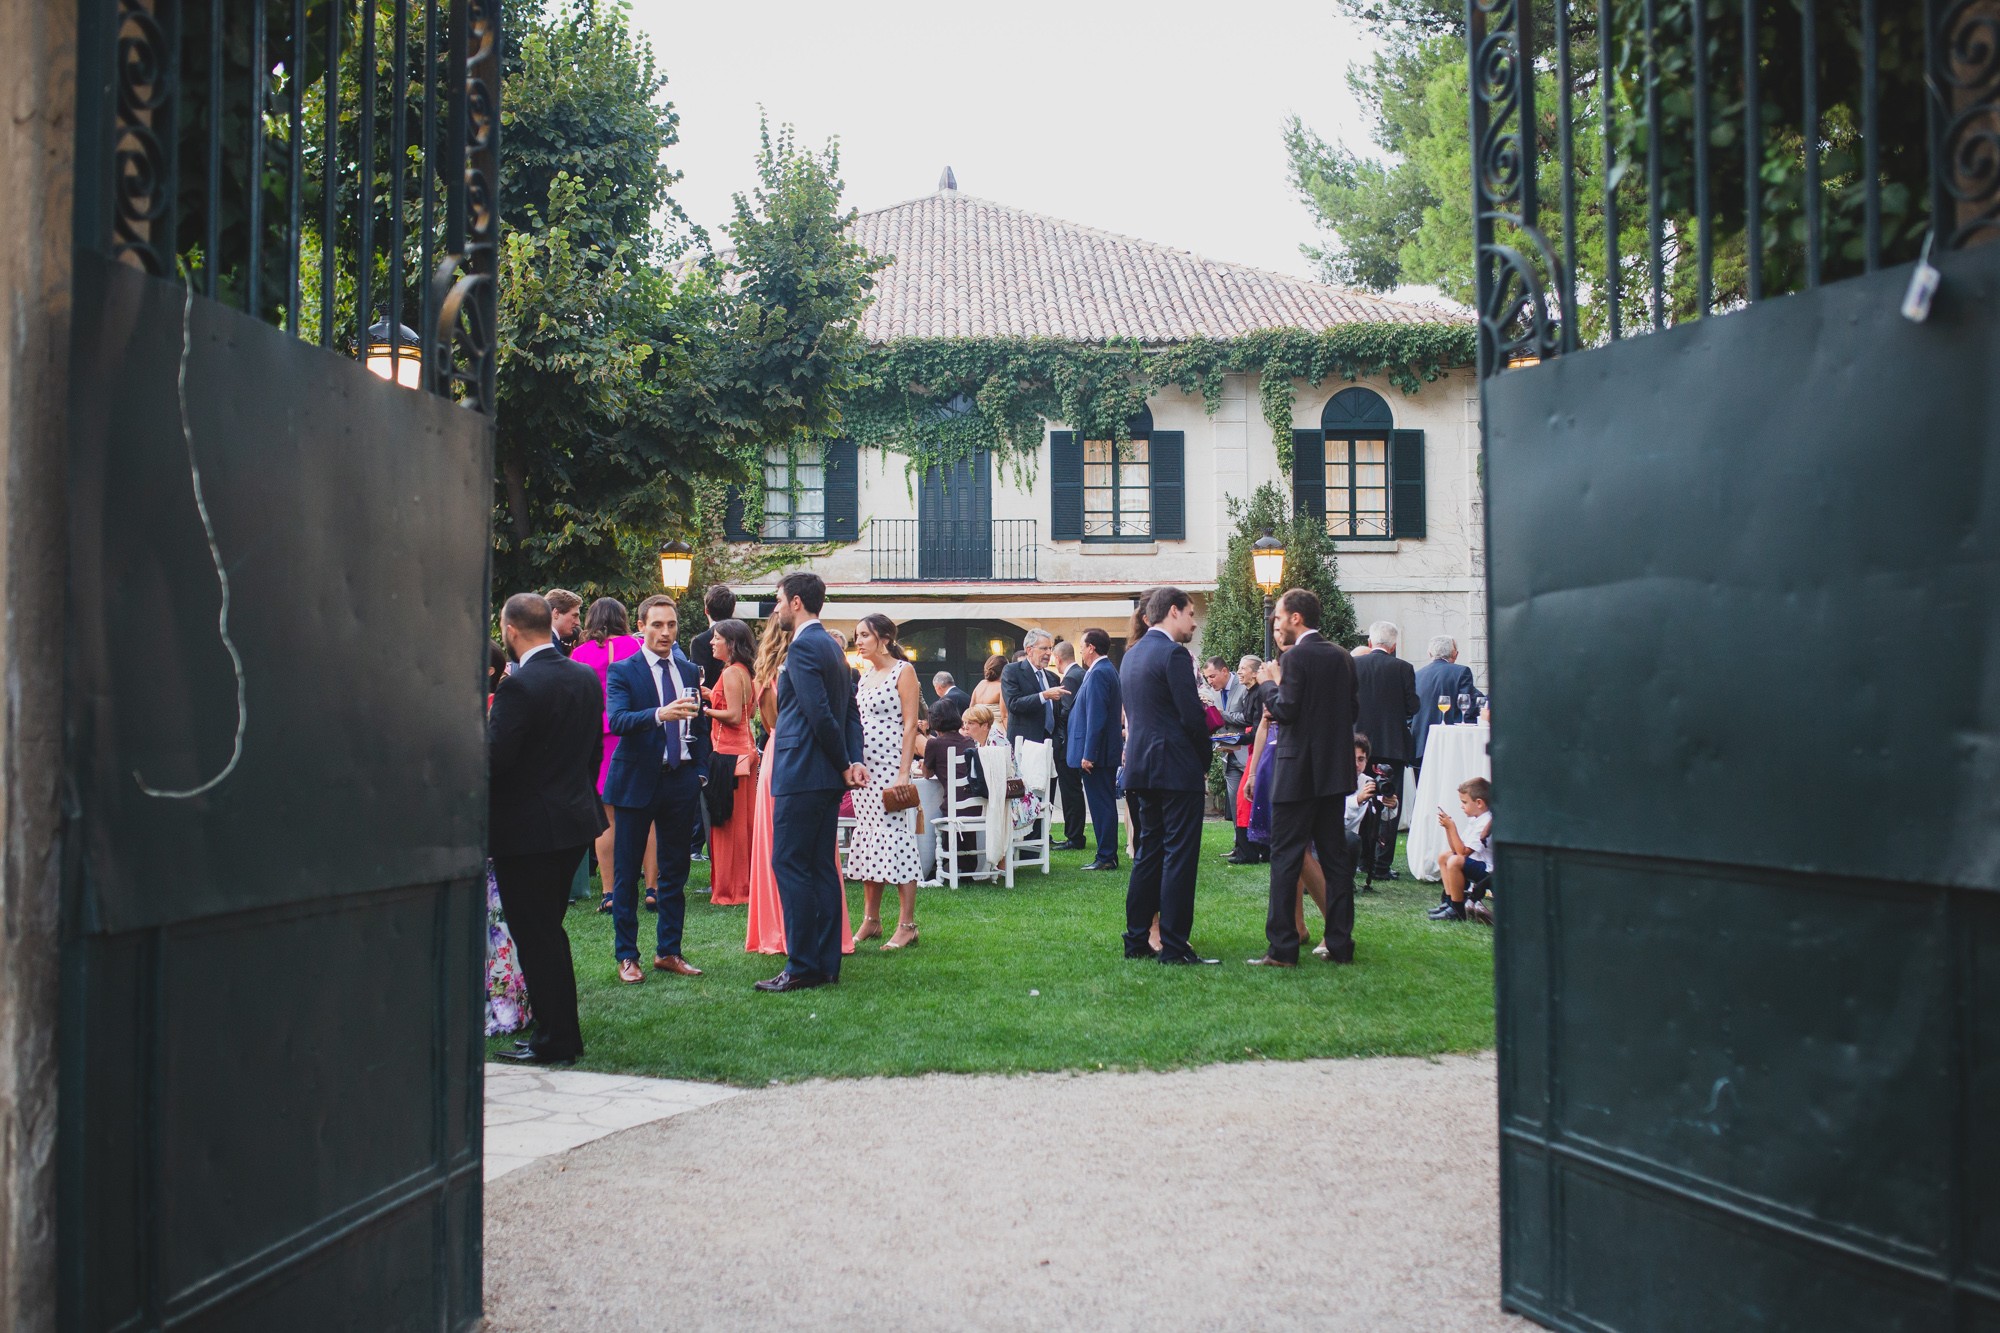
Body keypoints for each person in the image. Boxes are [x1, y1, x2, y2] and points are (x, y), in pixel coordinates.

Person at [488, 593, 607, 1064]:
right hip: (575, 821)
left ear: (510, 630)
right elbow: (591, 749)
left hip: (529, 831)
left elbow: (495, 759)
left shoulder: (519, 686)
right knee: (548, 932)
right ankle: (558, 1031)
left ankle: (556, 1039)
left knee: (537, 936)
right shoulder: (582, 676)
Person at [758, 572, 866, 992]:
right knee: (820, 866)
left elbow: (821, 714)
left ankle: (802, 965)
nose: (776, 608)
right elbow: (850, 714)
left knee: (790, 864)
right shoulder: (831, 648)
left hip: (802, 772)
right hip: (823, 778)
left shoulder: (804, 647)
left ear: (797, 602)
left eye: (779, 600)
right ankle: (825, 964)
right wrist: (851, 760)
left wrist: (844, 763)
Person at [1249, 588, 1360, 968]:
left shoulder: (1294, 658)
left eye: (1278, 617)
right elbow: (1351, 709)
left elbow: (1286, 710)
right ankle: (1341, 943)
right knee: (1335, 859)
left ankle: (1282, 948)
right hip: (1334, 771)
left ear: (1297, 618)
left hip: (1297, 772)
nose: (1275, 623)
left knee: (1285, 857)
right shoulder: (1343, 657)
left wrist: (1268, 682)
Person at [604, 596, 711, 984]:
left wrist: (698, 772)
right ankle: (627, 956)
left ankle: (669, 951)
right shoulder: (623, 670)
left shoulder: (686, 668)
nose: (666, 632)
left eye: (671, 625)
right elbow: (617, 720)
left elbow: (699, 726)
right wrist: (659, 714)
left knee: (675, 871)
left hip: (680, 780)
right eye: (658, 625)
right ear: (641, 626)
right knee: (627, 872)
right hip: (636, 782)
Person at [1117, 588, 1215, 964]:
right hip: (1175, 768)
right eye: (1190, 613)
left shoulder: (1131, 655)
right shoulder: (1173, 653)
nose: (1193, 621)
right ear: (1172, 612)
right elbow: (1191, 717)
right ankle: (1174, 946)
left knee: (1149, 855)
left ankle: (1137, 939)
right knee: (1179, 856)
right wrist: (1203, 759)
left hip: (1141, 767)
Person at [569, 598, 656, 913]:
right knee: (647, 817)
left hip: (598, 738)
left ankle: (609, 892)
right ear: (623, 618)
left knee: (606, 819)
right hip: (634, 733)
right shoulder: (635, 648)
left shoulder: (580, 654)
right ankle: (652, 888)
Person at [848, 614, 924, 950]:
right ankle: (871, 920)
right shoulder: (864, 676)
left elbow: (910, 725)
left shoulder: (903, 671)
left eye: (864, 635)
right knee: (868, 840)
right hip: (867, 769)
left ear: (884, 638)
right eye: (857, 636)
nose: (859, 641)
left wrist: (904, 771)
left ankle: (907, 925)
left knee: (897, 840)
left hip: (892, 767)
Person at [1353, 620, 1419, 880]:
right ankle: (1381, 865)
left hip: (1359, 746)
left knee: (1360, 799)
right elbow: (1412, 706)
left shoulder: (1354, 665)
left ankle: (1361, 859)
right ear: (1393, 647)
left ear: (1370, 643)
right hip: (1392, 745)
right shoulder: (1403, 668)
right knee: (1390, 803)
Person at [702, 617, 758, 906]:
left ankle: (732, 889)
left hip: (730, 755)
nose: (712, 642)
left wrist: (704, 710)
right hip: (743, 752)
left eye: (717, 638)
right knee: (742, 824)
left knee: (728, 825)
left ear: (731, 643)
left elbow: (735, 716)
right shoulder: (742, 672)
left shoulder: (731, 673)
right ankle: (742, 884)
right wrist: (713, 697)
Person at [1065, 627, 1123, 871]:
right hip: (1100, 752)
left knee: (1102, 805)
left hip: (1097, 755)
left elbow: (1096, 717)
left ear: (1091, 647)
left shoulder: (1100, 672)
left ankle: (1106, 856)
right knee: (1101, 804)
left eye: (1081, 644)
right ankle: (1105, 854)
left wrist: (1089, 754)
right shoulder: (1100, 670)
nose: (1079, 648)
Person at [1411, 634, 1482, 768]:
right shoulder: (1462, 671)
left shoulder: (1417, 675)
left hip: (1420, 744)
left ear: (1430, 653)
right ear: (1455, 654)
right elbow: (1466, 706)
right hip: (1451, 742)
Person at [1432, 777, 1493, 923]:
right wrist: (1448, 829)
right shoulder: (1476, 819)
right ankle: (1449, 902)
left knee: (1455, 861)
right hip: (1477, 863)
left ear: (1479, 803)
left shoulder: (1485, 821)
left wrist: (1451, 827)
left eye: (1464, 802)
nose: (1461, 806)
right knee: (1444, 856)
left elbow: (1463, 853)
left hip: (1489, 870)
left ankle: (1458, 909)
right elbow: (1456, 848)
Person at [1226, 655, 1267, 864]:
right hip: (1252, 747)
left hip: (1258, 750)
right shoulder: (1251, 693)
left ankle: (1248, 853)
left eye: (1243, 669)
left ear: (1254, 672)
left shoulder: (1260, 693)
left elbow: (1260, 727)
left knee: (1245, 799)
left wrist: (1235, 738)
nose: (1239, 672)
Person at [1050, 640, 1087, 850]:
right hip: (1075, 740)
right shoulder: (1081, 673)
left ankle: (1074, 836)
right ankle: (1075, 835)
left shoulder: (1071, 678)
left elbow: (1066, 711)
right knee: (1074, 789)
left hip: (1067, 742)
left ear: (1058, 658)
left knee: (1070, 790)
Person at [1001, 629, 1067, 748]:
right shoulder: (1012, 671)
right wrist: (1044, 695)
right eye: (1043, 648)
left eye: (1050, 648)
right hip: (1026, 744)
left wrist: (1060, 736)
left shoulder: (1053, 678)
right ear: (1029, 650)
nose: (1048, 653)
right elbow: (1013, 704)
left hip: (1052, 744)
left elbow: (1058, 712)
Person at [690, 584, 735, 691]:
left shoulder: (700, 642)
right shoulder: (743, 635)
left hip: (712, 703)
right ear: (732, 610)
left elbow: (699, 681)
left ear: (706, 610)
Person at [970, 653, 1008, 730]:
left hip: (979, 728)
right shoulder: (1001, 687)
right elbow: (1004, 716)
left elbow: (971, 709)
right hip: (996, 729)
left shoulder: (980, 684)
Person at [543, 588, 582, 657]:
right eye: (574, 616)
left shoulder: (542, 639)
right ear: (556, 613)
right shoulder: (550, 645)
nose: (578, 623)